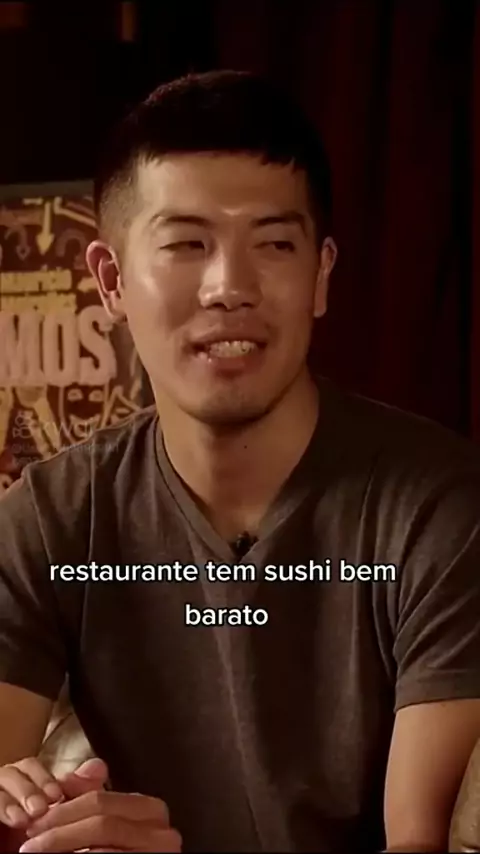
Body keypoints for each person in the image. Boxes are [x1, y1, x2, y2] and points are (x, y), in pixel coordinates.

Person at [0, 69, 478, 854]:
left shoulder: (440, 509)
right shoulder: (51, 518)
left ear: (321, 275)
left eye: (275, 244)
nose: (230, 287)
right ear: (111, 281)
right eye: (187, 244)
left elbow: (419, 841)